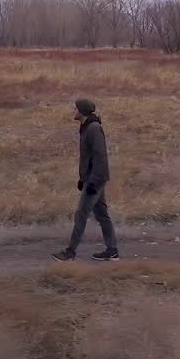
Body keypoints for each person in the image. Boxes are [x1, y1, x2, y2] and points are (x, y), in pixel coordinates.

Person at [52, 98, 119, 261]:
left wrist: (93, 182)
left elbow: (100, 157)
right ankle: (112, 251)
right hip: (92, 178)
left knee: (81, 214)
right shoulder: (86, 127)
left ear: (82, 111)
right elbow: (89, 157)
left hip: (96, 179)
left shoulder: (94, 128)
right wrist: (83, 179)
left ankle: (70, 253)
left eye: (75, 109)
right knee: (102, 215)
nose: (73, 111)